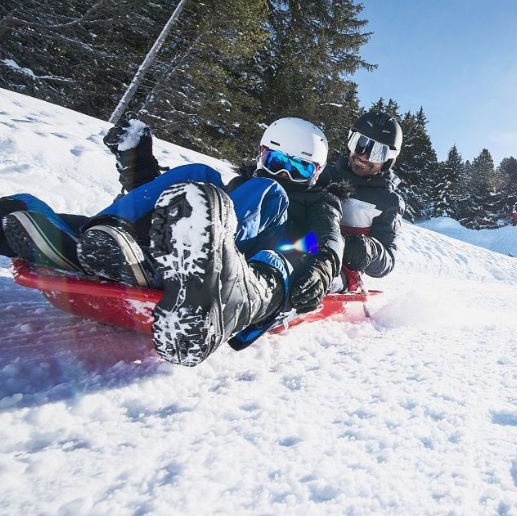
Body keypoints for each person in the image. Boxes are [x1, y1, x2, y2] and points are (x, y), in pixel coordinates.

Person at [1, 116, 344, 367]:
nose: (283, 173)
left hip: (238, 260)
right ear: (261, 154)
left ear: (316, 173)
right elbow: (169, 202)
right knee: (199, 174)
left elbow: (327, 241)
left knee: (266, 190)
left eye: (298, 169)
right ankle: (101, 240)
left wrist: (323, 266)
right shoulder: (238, 184)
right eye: (277, 161)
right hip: (185, 237)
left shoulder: (317, 202)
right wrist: (139, 165)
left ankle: (191, 258)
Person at [316, 111, 405, 288]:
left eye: (377, 152)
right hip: (304, 247)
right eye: (360, 144)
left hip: (342, 268)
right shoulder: (322, 175)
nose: (363, 156)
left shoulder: (387, 201)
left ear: (388, 160)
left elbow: (388, 261)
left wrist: (370, 250)